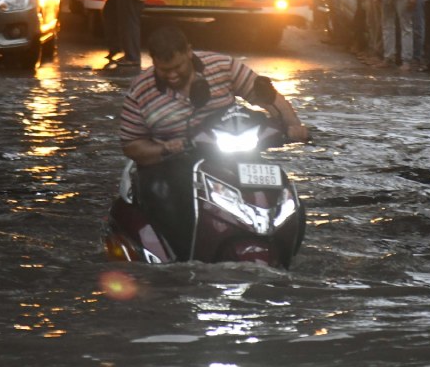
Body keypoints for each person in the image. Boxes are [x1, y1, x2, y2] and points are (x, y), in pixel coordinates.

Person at [118, 26, 308, 259]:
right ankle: (182, 257)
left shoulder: (222, 66)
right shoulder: (140, 90)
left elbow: (267, 97)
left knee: (280, 190)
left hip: (231, 152)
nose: (172, 75)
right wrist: (166, 148)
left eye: (177, 67)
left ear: (189, 52)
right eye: (164, 70)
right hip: (173, 163)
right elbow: (131, 144)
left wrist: (293, 126)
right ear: (153, 61)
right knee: (168, 197)